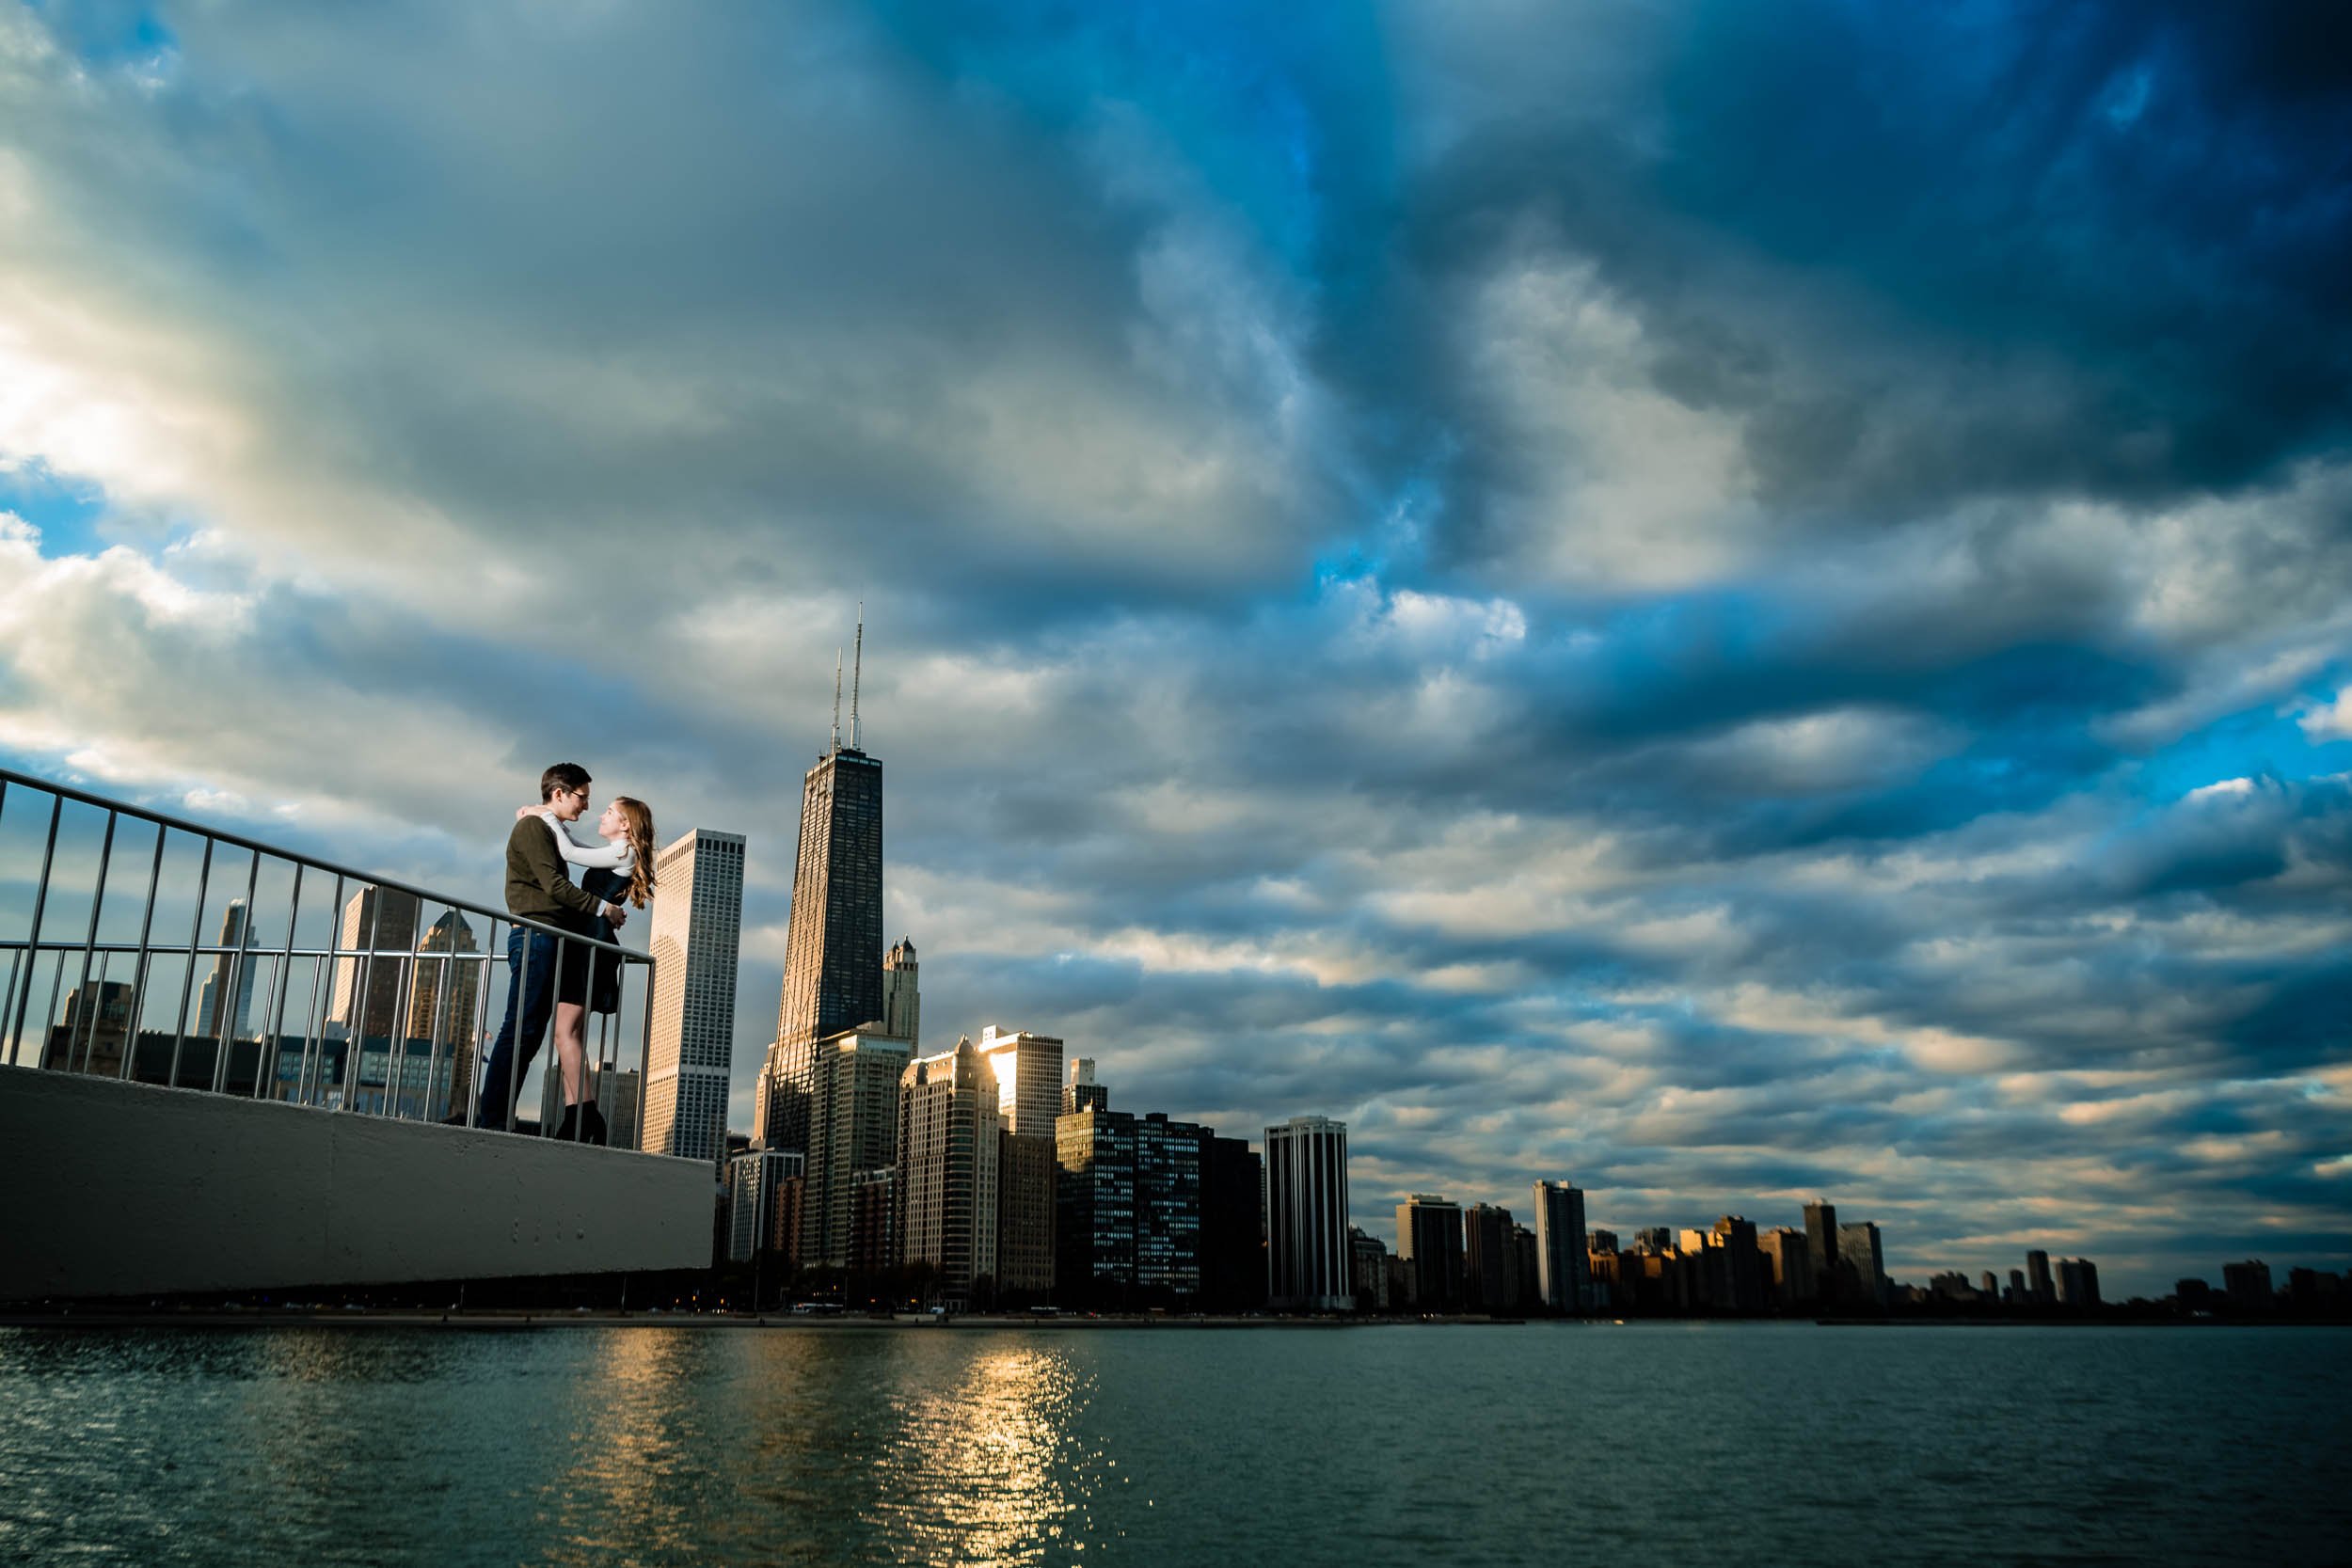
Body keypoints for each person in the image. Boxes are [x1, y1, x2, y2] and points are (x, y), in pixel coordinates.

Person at [468, 763, 629, 1133]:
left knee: (531, 1031)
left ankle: (497, 1117)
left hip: (548, 937)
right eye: (582, 797)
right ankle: (492, 1120)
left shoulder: (544, 827)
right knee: (521, 1028)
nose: (587, 806)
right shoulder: (533, 828)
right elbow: (555, 885)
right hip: (535, 936)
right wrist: (602, 907)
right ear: (559, 794)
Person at [516, 794, 658, 1143]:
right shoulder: (618, 851)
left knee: (566, 1032)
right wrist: (554, 821)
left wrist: (544, 814)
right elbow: (577, 846)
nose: (601, 816)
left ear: (626, 824)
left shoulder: (625, 850)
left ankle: (584, 1114)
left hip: (589, 943)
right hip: (588, 939)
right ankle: (577, 1114)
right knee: (570, 1034)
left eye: (610, 812)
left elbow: (569, 853)